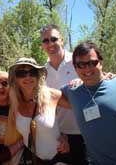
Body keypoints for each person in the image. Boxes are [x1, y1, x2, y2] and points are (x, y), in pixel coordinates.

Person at [6, 57, 70, 164]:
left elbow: (78, 108)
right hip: (32, 159)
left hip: (58, 159)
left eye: (32, 72)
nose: (28, 77)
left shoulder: (52, 95)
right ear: (15, 78)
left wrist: (67, 136)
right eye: (22, 73)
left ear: (38, 75)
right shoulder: (14, 103)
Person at [40, 24, 86, 164]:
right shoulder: (42, 72)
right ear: (42, 45)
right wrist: (60, 134)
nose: (50, 44)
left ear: (62, 40)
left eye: (54, 39)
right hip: (60, 136)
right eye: (46, 40)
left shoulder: (78, 61)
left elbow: (98, 82)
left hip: (86, 131)